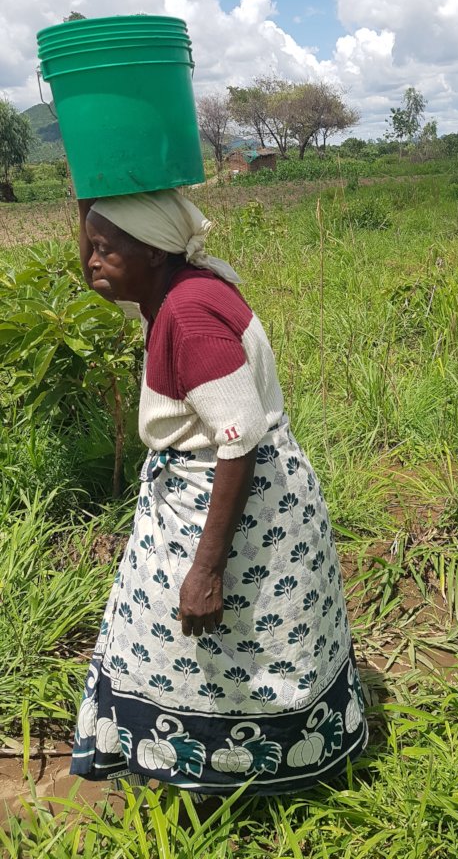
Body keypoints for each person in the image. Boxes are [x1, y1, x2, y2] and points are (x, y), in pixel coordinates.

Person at [70, 190, 367, 795]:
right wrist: (91, 195)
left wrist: (207, 569)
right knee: (213, 642)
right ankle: (215, 765)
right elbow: (104, 262)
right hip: (209, 498)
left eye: (105, 250)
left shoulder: (190, 315)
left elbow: (238, 441)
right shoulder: (177, 283)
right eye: (91, 246)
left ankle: (225, 780)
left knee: (225, 640)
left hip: (229, 507)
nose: (91, 262)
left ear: (152, 252)